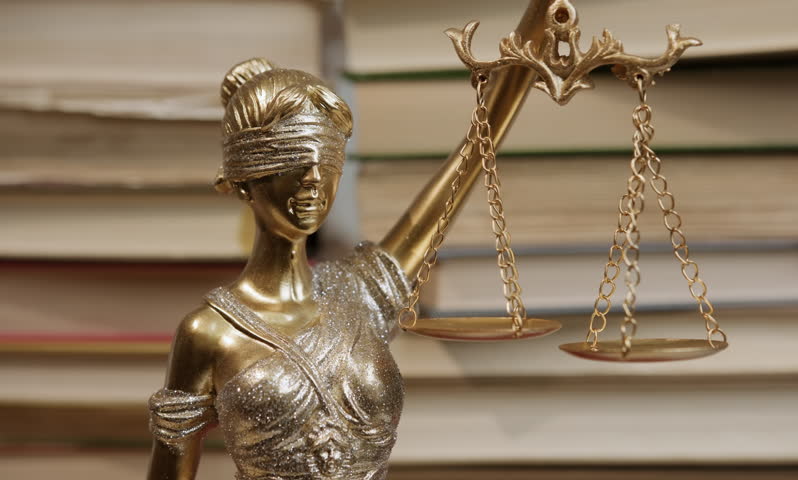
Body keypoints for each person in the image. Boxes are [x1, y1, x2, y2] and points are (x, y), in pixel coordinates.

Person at [146, 57, 525, 480]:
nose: (312, 179)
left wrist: (518, 79)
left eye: (326, 162)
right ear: (241, 180)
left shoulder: (361, 294)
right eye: (290, 159)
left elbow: (451, 191)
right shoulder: (210, 333)